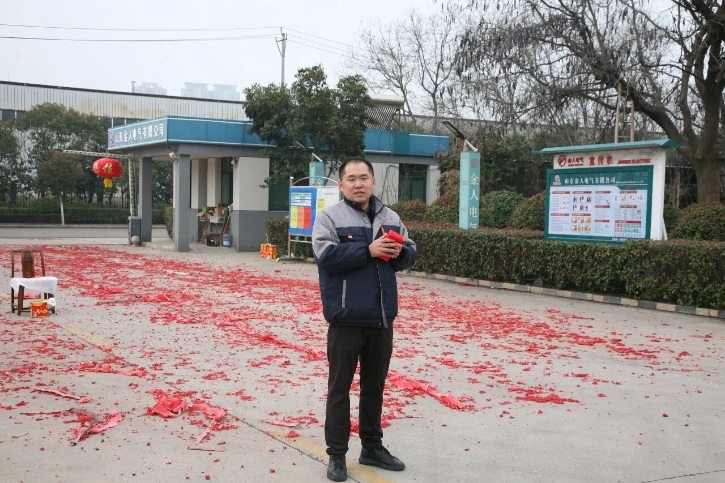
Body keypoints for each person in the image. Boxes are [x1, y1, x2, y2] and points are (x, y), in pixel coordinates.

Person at [312, 157, 417, 482]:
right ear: (341, 184)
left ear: (373, 181)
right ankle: (337, 454)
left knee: (374, 388)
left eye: (364, 178)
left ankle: (372, 447)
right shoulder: (330, 217)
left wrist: (401, 252)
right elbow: (325, 256)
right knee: (339, 389)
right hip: (345, 320)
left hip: (380, 319)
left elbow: (409, 252)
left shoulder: (390, 217)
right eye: (351, 179)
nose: (358, 184)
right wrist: (367, 250)